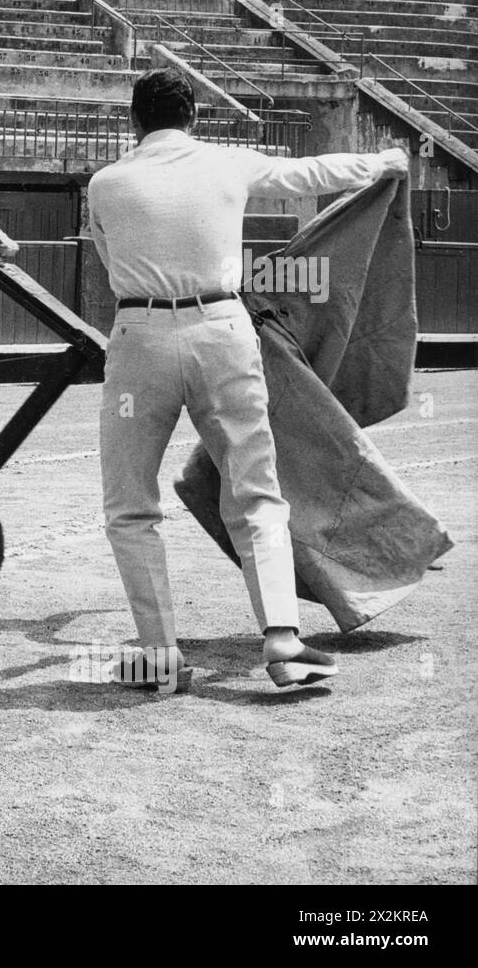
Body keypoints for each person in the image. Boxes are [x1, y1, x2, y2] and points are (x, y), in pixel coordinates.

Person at [86, 68, 409, 693]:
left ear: (133, 120)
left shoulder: (106, 183)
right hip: (224, 333)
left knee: (130, 506)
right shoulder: (227, 163)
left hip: (139, 340)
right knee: (256, 492)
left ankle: (158, 655)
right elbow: (310, 175)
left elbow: (109, 263)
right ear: (195, 119)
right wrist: (385, 159)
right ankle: (284, 643)